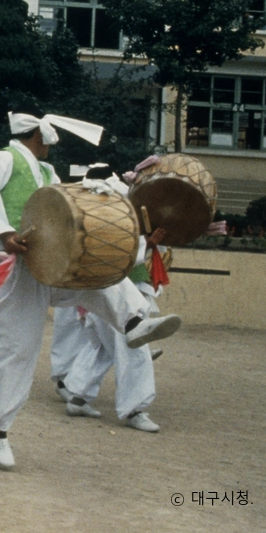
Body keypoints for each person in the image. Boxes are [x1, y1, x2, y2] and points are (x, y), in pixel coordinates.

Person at [0, 111, 181, 470]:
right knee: (16, 351)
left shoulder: (48, 172)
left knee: (100, 276)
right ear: (38, 135)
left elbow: (66, 212)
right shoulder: (2, 159)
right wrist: (4, 234)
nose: (51, 145)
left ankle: (133, 323)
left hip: (50, 265)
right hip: (13, 270)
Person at [61, 164, 164, 433]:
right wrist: (148, 243)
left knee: (101, 345)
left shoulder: (78, 202)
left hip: (94, 287)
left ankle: (78, 397)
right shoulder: (117, 200)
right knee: (133, 345)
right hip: (116, 290)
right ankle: (135, 409)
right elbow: (124, 251)